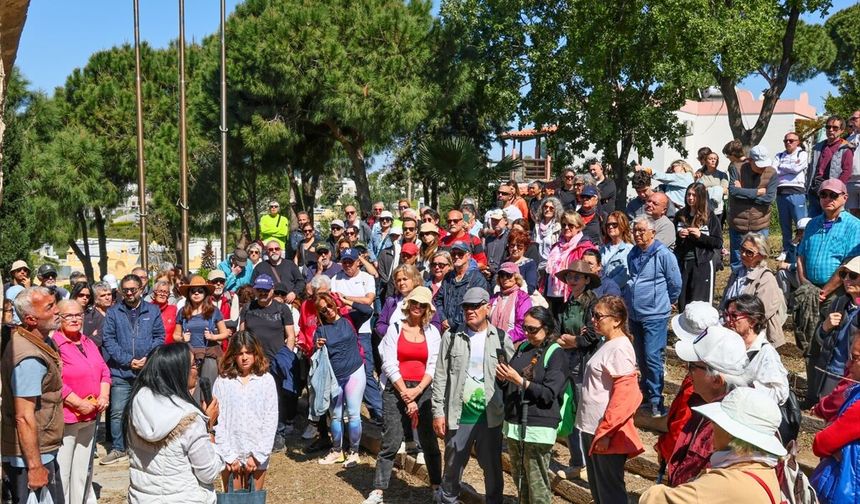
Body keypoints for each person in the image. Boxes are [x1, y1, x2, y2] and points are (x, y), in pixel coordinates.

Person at [432, 287, 514, 504]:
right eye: (466, 306)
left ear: (487, 306)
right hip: (459, 413)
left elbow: (511, 376)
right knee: (453, 465)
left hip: (490, 414)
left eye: (475, 306)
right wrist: (438, 412)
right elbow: (440, 375)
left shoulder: (501, 338)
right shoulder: (451, 336)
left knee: (492, 467)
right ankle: (448, 499)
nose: (470, 310)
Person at [364, 287, 443, 504]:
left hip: (423, 388)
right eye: (414, 303)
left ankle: (437, 487)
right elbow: (388, 363)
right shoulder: (395, 328)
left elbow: (434, 364)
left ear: (428, 308)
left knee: (429, 441)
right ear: (408, 305)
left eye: (422, 304)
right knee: (391, 440)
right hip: (396, 388)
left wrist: (417, 391)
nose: (418, 307)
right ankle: (379, 490)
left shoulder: (432, 333)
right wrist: (405, 393)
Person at [641, 388, 786, 503]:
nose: (712, 428)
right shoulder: (764, 469)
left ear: (729, 432)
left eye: (716, 423)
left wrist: (653, 492)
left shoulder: (725, 484)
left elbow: (655, 500)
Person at [124, 343, 223, 503]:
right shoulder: (189, 419)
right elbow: (208, 473)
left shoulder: (137, 405)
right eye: (193, 364)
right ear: (177, 371)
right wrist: (209, 428)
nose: (197, 368)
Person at [496, 306, 569, 503]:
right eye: (525, 328)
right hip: (514, 424)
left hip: (538, 426)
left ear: (547, 328)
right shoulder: (523, 348)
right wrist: (503, 378)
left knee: (537, 485)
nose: (527, 333)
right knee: (521, 483)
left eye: (533, 329)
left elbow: (548, 394)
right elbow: (510, 382)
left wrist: (518, 380)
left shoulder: (556, 354)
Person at [577, 296, 643, 503]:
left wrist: (607, 431)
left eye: (598, 316)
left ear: (616, 320)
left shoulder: (620, 347)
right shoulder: (608, 343)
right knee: (599, 491)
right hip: (593, 427)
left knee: (610, 493)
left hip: (605, 431)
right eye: (592, 315)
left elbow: (625, 396)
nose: (593, 320)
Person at [0, 287, 64, 503]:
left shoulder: (39, 342)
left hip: (41, 448)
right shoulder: (28, 357)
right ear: (31, 318)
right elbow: (24, 416)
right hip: (31, 457)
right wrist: (35, 466)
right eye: (50, 307)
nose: (58, 310)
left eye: (55, 303)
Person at [666, 325, 750, 487]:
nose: (687, 371)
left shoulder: (728, 428)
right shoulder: (706, 406)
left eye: (693, 366)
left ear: (717, 380)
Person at [101, 274, 166, 465]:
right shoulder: (113, 313)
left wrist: (146, 358)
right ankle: (119, 448)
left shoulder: (152, 311)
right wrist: (129, 361)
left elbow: (159, 337)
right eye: (126, 290)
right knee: (118, 411)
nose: (129, 293)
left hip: (146, 370)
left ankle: (147, 444)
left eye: (133, 290)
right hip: (121, 371)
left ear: (141, 290)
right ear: (121, 291)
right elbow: (109, 340)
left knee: (147, 409)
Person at [53, 300, 110, 504]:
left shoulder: (87, 341)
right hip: (68, 417)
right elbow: (54, 381)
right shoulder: (55, 344)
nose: (75, 319)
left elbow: (104, 370)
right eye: (69, 316)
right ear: (58, 318)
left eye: (79, 314)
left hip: (91, 414)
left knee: (83, 467)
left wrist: (104, 396)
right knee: (64, 469)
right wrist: (77, 403)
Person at [625, 216, 681, 417]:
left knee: (652, 356)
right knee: (640, 356)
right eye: (635, 231)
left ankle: (657, 399)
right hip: (635, 314)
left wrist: (666, 302)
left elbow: (675, 282)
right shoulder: (633, 253)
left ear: (652, 233)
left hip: (655, 313)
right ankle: (646, 396)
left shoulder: (663, 254)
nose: (638, 234)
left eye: (642, 230)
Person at [555, 261, 602, 480]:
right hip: (567, 361)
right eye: (570, 277)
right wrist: (565, 339)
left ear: (586, 279)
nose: (572, 281)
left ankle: (588, 463)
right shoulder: (567, 304)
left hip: (584, 363)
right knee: (571, 411)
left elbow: (592, 334)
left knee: (584, 413)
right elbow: (557, 328)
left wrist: (576, 340)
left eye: (577, 277)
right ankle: (577, 461)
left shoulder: (593, 304)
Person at [213, 331, 277, 491]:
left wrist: (257, 456)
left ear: (256, 353)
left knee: (253, 499)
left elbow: (271, 419)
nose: (244, 357)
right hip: (231, 452)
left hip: (257, 453)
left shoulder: (266, 380)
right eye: (240, 353)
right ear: (233, 355)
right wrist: (228, 455)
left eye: (248, 352)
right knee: (233, 499)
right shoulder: (223, 381)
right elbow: (217, 421)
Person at [239, 274, 297, 447]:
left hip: (275, 361)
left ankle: (278, 433)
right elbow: (242, 334)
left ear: (272, 290)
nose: (263, 293)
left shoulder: (282, 309)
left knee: (276, 398)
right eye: (259, 290)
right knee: (252, 398)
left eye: (266, 290)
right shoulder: (248, 308)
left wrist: (286, 356)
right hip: (252, 362)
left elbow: (291, 335)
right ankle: (255, 431)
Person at [313, 292, 367, 468]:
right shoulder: (321, 330)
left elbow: (368, 311)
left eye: (329, 305)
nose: (328, 310)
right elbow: (315, 353)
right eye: (323, 310)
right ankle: (337, 451)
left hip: (354, 372)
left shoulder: (349, 319)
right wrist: (318, 345)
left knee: (353, 414)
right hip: (334, 378)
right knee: (335, 416)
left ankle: (354, 452)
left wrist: (346, 300)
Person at [811, 325, 860, 503]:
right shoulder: (855, 390)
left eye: (855, 358)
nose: (848, 364)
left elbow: (821, 443)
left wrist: (842, 448)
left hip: (848, 493)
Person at [797, 179, 860, 310]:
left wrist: (824, 292)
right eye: (823, 195)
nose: (828, 198)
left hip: (836, 292)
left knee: (831, 328)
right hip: (809, 289)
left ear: (845, 197)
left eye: (833, 195)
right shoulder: (812, 224)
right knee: (805, 328)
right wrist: (804, 283)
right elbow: (801, 256)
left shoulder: (854, 226)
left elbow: (848, 264)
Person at [806, 257, 860, 406]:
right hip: (831, 372)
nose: (847, 279)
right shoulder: (839, 302)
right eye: (844, 275)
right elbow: (820, 339)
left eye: (853, 275)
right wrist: (825, 327)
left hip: (853, 376)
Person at [721, 233, 786, 347]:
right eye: (742, 249)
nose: (743, 254)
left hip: (755, 338)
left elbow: (759, 314)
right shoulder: (737, 273)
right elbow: (724, 302)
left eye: (749, 252)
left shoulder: (766, 278)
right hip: (732, 331)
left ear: (762, 255)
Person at [723, 294, 790, 406]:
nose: (727, 320)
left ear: (753, 321)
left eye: (734, 316)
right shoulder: (729, 344)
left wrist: (745, 388)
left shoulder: (766, 353)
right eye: (726, 315)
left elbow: (780, 393)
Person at [727, 144, 778, 271]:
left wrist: (742, 192)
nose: (763, 168)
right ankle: (737, 287)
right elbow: (733, 192)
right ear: (750, 160)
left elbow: (769, 199)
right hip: (738, 223)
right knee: (738, 262)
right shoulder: (736, 168)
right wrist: (757, 192)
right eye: (759, 165)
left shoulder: (771, 173)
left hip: (760, 224)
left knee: (759, 261)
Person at [674, 182, 723, 308]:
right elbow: (676, 242)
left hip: (703, 262)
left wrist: (700, 236)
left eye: (694, 195)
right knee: (684, 300)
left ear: (701, 197)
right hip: (684, 262)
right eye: (688, 194)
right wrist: (680, 236)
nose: (690, 198)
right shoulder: (680, 215)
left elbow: (717, 242)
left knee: (700, 303)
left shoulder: (710, 216)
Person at [174, 276, 229, 386]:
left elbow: (225, 333)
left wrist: (213, 337)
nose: (196, 293)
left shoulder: (213, 311)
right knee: (189, 388)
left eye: (200, 291)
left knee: (208, 388)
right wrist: (182, 338)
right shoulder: (183, 312)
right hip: (189, 357)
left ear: (205, 294)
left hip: (208, 356)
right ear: (189, 294)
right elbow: (175, 335)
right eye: (193, 291)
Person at [544, 211, 596, 314]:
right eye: (564, 225)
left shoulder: (584, 247)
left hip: (572, 293)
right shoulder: (556, 246)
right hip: (552, 294)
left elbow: (589, 270)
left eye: (571, 225)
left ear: (579, 227)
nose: (566, 228)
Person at [435, 242, 489, 334]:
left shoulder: (477, 279)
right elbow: (438, 300)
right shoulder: (448, 277)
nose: (456, 257)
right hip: (446, 330)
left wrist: (451, 322)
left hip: (468, 331)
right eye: (453, 254)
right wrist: (443, 318)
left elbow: (478, 307)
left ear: (468, 255)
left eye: (460, 254)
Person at [808, 116, 854, 217]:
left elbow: (847, 172)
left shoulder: (846, 148)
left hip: (832, 193)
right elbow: (811, 168)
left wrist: (835, 189)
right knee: (813, 222)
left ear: (842, 130)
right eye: (828, 127)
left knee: (831, 222)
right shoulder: (817, 147)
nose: (831, 130)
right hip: (815, 190)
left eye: (835, 127)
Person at [775, 131, 809, 262]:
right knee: (785, 225)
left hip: (797, 191)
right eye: (785, 141)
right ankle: (786, 249)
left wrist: (782, 168)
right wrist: (789, 167)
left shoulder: (802, 154)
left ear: (797, 142)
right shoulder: (779, 155)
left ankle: (802, 248)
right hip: (781, 192)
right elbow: (774, 169)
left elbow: (796, 169)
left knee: (801, 224)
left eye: (791, 140)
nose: (788, 143)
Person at [488, 262, 532, 345]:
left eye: (508, 275)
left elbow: (523, 326)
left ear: (516, 277)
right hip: (491, 342)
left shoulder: (523, 298)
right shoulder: (493, 298)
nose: (505, 278)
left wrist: (503, 338)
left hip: (513, 344)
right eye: (502, 275)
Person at [599, 211, 633, 290]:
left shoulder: (629, 249)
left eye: (614, 224)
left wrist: (608, 288)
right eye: (608, 225)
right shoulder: (603, 249)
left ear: (623, 226)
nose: (610, 227)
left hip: (619, 292)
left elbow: (625, 275)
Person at [695, 147, 729, 221]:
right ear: (706, 161)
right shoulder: (700, 173)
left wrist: (708, 190)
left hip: (717, 210)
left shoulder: (722, 175)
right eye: (710, 159)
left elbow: (725, 190)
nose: (713, 160)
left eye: (715, 159)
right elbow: (696, 189)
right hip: (702, 208)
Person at [533, 196, 563, 270]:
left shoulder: (558, 227)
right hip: (537, 265)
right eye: (545, 207)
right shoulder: (537, 226)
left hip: (551, 266)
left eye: (551, 208)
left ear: (556, 210)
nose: (547, 210)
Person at [505, 229, 538, 294]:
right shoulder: (504, 263)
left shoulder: (530, 264)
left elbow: (530, 288)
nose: (515, 248)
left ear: (525, 247)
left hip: (522, 299)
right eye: (512, 245)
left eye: (519, 246)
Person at [82, 281, 113, 347]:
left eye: (109, 294)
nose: (107, 298)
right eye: (103, 295)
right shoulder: (89, 317)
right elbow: (86, 341)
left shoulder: (116, 312)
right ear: (95, 299)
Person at [484, 209, 510, 284]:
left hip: (502, 275)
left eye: (497, 220)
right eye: (493, 220)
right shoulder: (489, 238)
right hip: (488, 273)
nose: (495, 223)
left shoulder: (509, 237)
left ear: (505, 221)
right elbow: (485, 255)